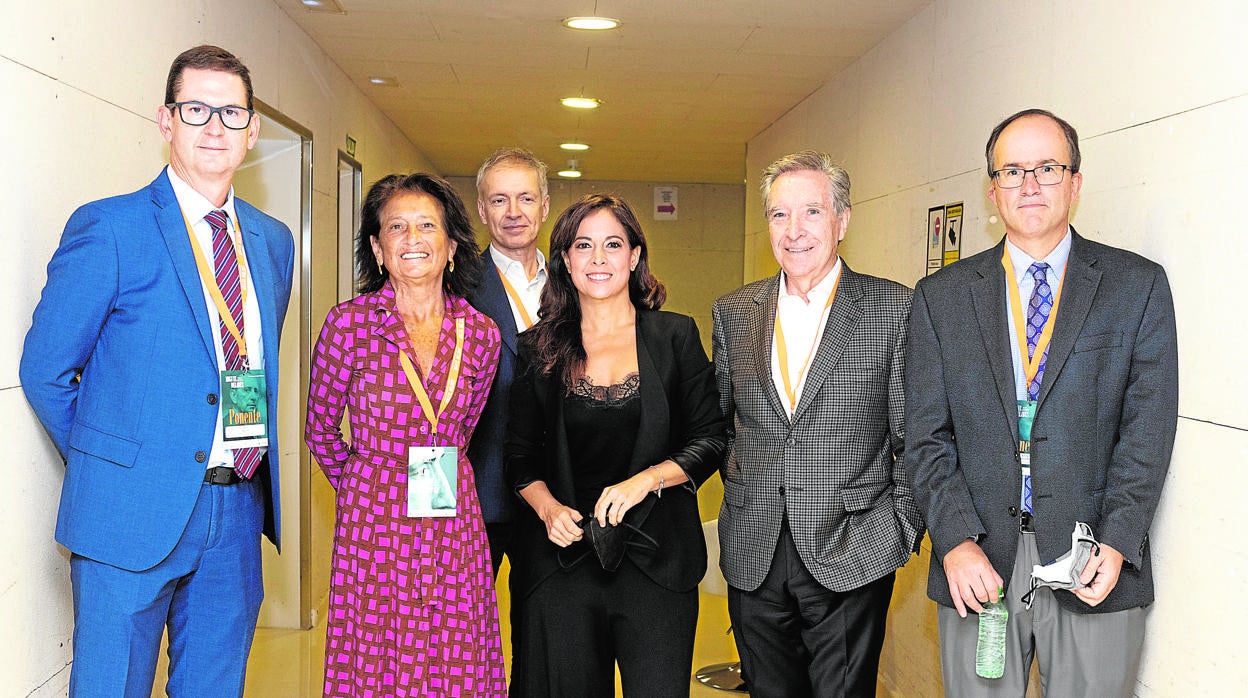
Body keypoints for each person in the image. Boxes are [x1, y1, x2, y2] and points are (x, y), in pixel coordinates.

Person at [19, 45, 294, 696]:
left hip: (236, 515)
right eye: (196, 109)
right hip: (128, 516)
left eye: (231, 113)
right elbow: (46, 371)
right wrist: (116, 463)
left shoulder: (273, 240)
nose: (215, 128)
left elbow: (247, 363)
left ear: (253, 132)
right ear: (166, 121)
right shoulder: (111, 228)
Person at [905, 108, 1178, 696]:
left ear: (1075, 182)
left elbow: (1148, 431)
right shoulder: (940, 298)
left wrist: (1119, 539)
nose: (1029, 185)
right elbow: (924, 436)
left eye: (1047, 168)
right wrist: (954, 540)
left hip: (1093, 561)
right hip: (977, 562)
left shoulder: (1137, 286)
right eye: (1012, 171)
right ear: (992, 190)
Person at [712, 151, 923, 696]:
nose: (795, 230)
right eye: (780, 215)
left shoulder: (894, 308)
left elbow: (915, 436)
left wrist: (896, 529)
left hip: (854, 547)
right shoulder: (734, 311)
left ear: (842, 221)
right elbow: (725, 429)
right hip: (754, 550)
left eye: (811, 212)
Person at [506, 193, 727, 696]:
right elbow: (518, 456)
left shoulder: (676, 336)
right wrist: (546, 510)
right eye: (584, 246)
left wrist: (645, 482)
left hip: (657, 561)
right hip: (562, 563)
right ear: (564, 260)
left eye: (613, 244)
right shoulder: (537, 347)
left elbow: (711, 438)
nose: (599, 259)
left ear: (634, 256)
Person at [305, 173, 506, 697]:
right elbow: (320, 430)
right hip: (371, 526)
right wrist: (364, 486)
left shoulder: (482, 335)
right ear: (377, 247)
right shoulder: (347, 326)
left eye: (426, 226)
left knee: (455, 646)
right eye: (396, 227)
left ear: (452, 244)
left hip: (451, 518)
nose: (412, 239)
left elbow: (464, 429)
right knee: (375, 655)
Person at [466, 147, 551, 574]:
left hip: (558, 495)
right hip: (483, 491)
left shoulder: (577, 284)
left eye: (526, 198)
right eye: (499, 200)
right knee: (465, 632)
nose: (514, 211)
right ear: (483, 209)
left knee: (544, 636)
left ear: (545, 205)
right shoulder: (457, 288)